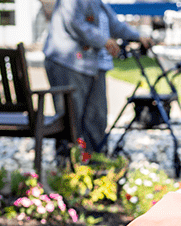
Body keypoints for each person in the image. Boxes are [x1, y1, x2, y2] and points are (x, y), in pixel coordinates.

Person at [43, 0, 154, 154]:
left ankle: (92, 162)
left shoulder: (98, 2)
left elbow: (113, 24)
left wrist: (137, 36)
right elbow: (75, 23)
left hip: (93, 66)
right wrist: (104, 41)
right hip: (67, 62)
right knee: (71, 119)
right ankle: (67, 165)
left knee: (97, 117)